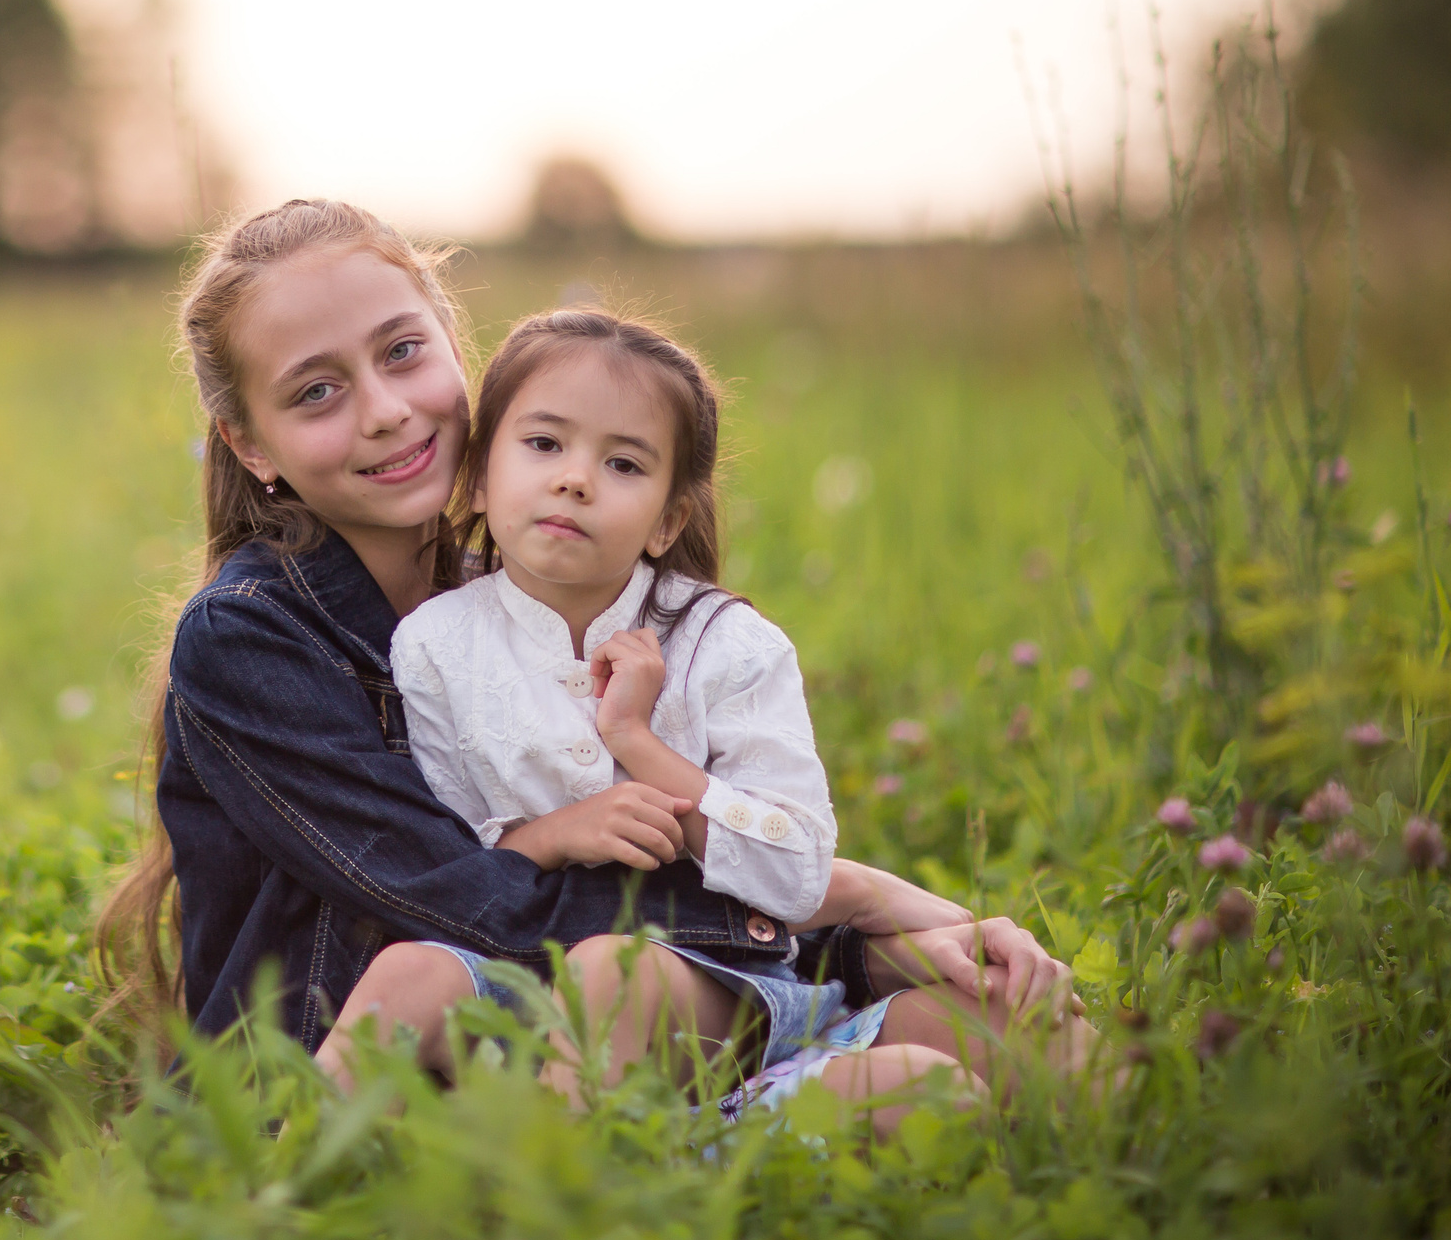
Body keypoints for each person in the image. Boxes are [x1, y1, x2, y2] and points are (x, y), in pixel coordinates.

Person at [94, 200, 1076, 1097]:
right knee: (881, 1056)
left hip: (584, 1014)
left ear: (451, 341)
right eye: (315, 392)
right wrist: (855, 911)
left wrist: (883, 942)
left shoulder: (526, 588)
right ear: (250, 446)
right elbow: (470, 905)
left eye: (402, 351)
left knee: (1009, 1023)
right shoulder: (249, 637)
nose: (385, 408)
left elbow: (628, 855)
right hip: (364, 1076)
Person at [345, 307, 1091, 1125]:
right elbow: (447, 867)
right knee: (486, 973)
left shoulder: (726, 644)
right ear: (480, 476)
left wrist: (639, 744)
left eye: (624, 463)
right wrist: (559, 833)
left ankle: (664, 1152)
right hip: (526, 978)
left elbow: (797, 867)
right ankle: (300, 1188)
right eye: (544, 444)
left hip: (731, 979)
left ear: (668, 518)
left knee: (1035, 1032)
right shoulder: (434, 645)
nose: (575, 478)